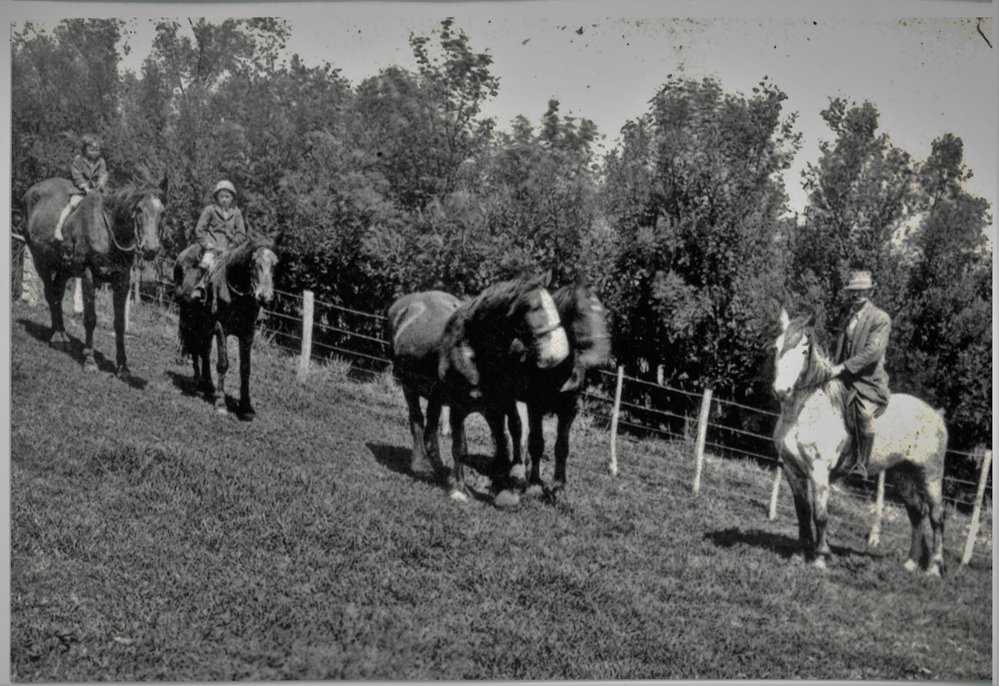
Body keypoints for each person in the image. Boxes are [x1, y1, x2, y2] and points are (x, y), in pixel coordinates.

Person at [829, 269, 891, 477]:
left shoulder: (880, 319)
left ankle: (861, 464)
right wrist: (832, 366)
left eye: (862, 291)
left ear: (870, 293)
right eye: (854, 291)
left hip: (868, 381)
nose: (857, 295)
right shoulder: (847, 318)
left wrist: (844, 367)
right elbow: (840, 347)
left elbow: (873, 352)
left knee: (863, 415)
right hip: (844, 377)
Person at [178, 180, 248, 303]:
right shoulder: (210, 210)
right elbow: (200, 229)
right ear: (217, 197)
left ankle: (244, 296)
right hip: (212, 247)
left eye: (227, 196)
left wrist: (233, 245)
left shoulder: (236, 213)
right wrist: (207, 244)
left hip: (229, 249)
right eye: (221, 196)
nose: (224, 199)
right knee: (206, 262)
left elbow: (241, 233)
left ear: (232, 198)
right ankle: (199, 287)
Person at [54, 133, 108, 242]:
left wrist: (100, 185)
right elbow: (76, 175)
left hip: (96, 190)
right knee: (73, 203)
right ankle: (59, 227)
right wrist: (85, 188)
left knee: (106, 205)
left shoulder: (101, 162)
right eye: (91, 149)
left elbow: (103, 174)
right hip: (80, 190)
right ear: (84, 149)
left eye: (97, 149)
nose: (94, 151)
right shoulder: (78, 160)